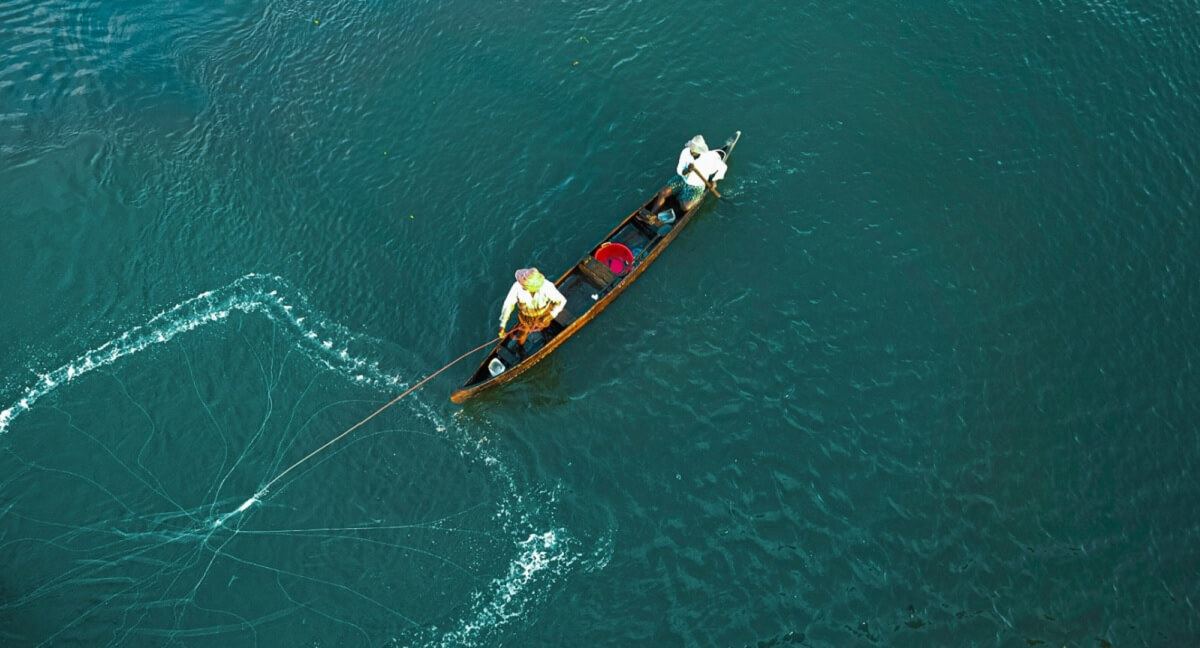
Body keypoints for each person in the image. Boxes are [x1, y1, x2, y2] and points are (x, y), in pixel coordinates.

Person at [645, 134, 728, 214]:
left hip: (696, 186)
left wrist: (714, 181)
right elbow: (679, 170)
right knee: (662, 193)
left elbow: (723, 167)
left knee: (685, 207)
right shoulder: (685, 152)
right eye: (691, 149)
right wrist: (687, 170)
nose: (691, 151)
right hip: (682, 179)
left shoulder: (709, 157)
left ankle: (679, 199)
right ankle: (651, 213)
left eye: (694, 150)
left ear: (699, 150)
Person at [498, 267, 567, 351]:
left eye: (525, 285)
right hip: (525, 316)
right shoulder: (517, 287)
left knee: (545, 326)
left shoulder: (547, 287)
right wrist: (502, 325)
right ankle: (520, 349)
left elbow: (561, 301)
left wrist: (550, 315)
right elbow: (508, 305)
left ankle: (546, 335)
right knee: (522, 333)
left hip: (544, 312)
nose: (522, 285)